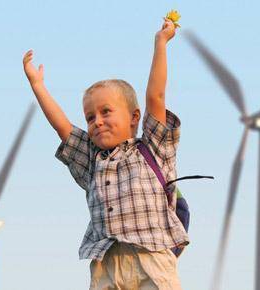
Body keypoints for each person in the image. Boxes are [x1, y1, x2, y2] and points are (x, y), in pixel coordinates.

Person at [23, 17, 188, 290]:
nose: (96, 121)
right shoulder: (92, 162)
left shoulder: (153, 149)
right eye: (90, 117)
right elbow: (62, 127)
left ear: (135, 118)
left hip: (152, 258)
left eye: (106, 112)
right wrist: (38, 85)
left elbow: (156, 97)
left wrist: (161, 44)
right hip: (106, 264)